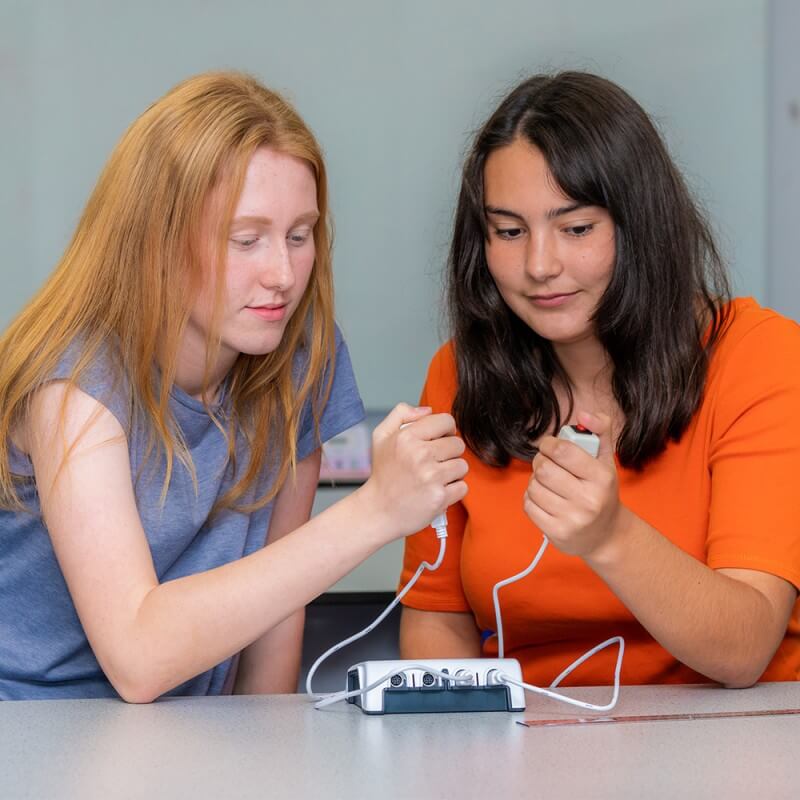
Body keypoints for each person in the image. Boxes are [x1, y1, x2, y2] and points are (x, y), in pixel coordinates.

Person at [0, 72, 467, 702]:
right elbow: (137, 655)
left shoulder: (301, 356)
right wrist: (375, 510)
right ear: (156, 243)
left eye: (299, 236)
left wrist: (263, 751)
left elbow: (277, 619)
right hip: (31, 726)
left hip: (185, 730)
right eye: (246, 241)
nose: (283, 275)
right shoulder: (76, 382)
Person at [399, 71, 800, 688]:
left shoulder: (762, 356)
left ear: (640, 226)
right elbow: (437, 619)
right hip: (527, 742)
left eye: (577, 229)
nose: (539, 265)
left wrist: (611, 537)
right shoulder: (457, 375)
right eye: (509, 232)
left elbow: (744, 648)